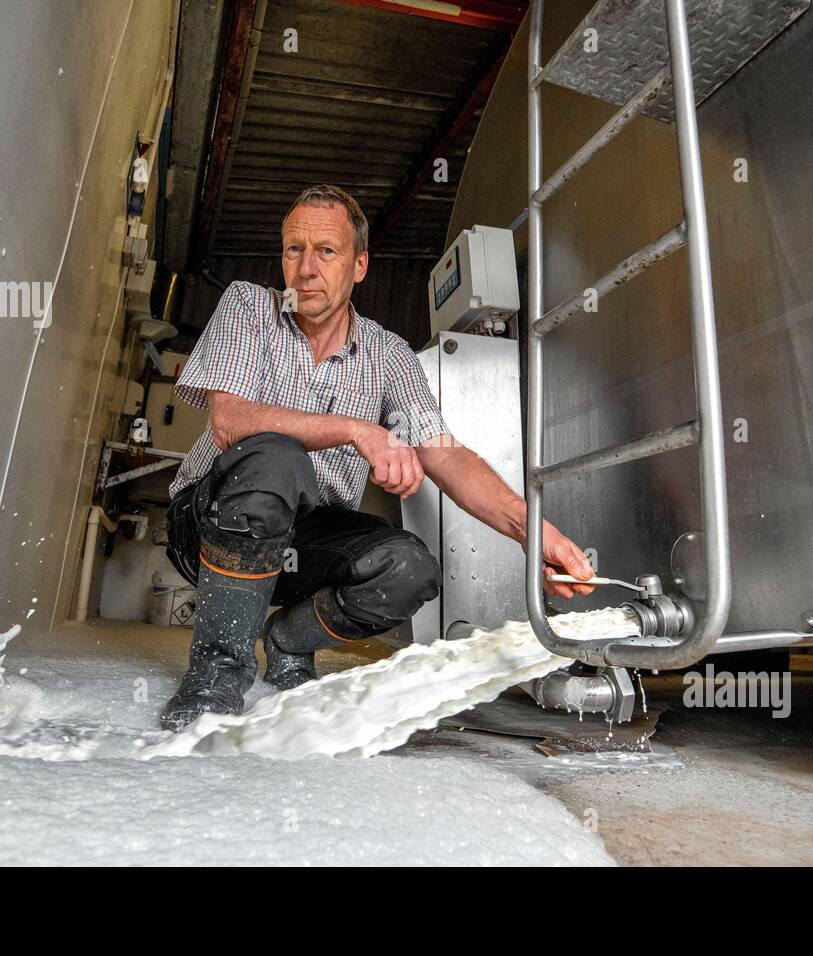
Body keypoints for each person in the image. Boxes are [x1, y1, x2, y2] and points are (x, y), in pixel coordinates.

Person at [160, 184, 595, 731]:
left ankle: (290, 640)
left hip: (303, 540)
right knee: (275, 456)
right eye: (294, 250)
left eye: (327, 251)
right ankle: (216, 675)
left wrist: (532, 534)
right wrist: (357, 430)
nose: (306, 268)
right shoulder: (251, 306)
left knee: (408, 568)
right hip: (209, 526)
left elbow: (446, 454)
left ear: (359, 265)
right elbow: (231, 421)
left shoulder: (388, 354)